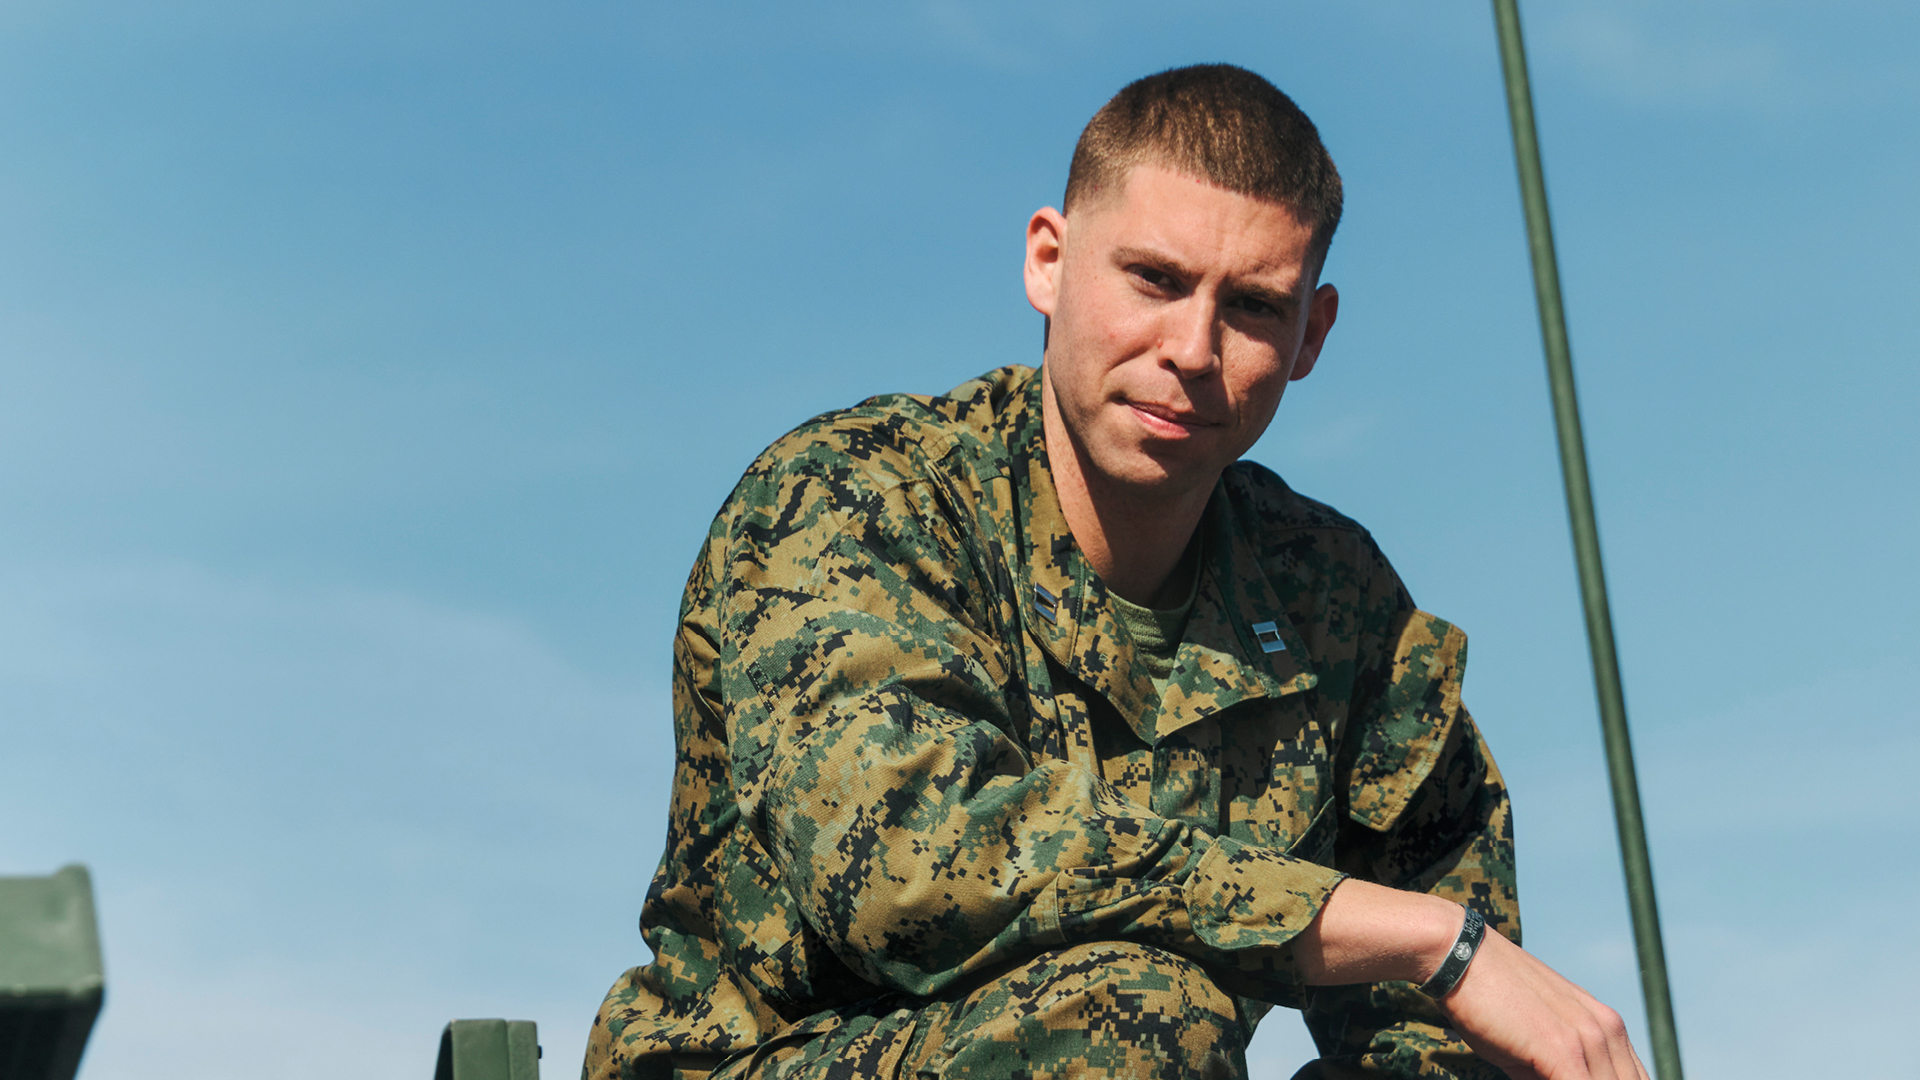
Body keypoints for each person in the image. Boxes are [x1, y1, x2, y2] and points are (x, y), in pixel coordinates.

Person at [586, 64, 1648, 1080]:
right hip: (772, 1057)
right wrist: (1417, 936)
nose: (1192, 347)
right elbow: (911, 872)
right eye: (1154, 280)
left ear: (1312, 334)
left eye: (1253, 307)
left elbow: (1446, 1021)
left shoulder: (1335, 600)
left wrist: (1449, 973)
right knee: (1130, 1019)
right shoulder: (854, 500)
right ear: (1049, 261)